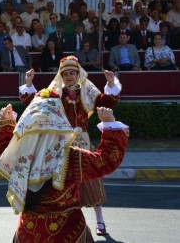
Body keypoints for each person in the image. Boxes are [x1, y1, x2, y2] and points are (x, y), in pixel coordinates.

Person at [18, 56, 123, 238]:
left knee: (92, 182)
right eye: (65, 74)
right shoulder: (55, 94)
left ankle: (100, 220)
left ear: (78, 74)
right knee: (63, 187)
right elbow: (33, 104)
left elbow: (108, 102)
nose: (68, 77)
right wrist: (28, 83)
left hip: (82, 142)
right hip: (61, 145)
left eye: (72, 73)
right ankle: (68, 219)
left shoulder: (87, 91)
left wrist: (112, 82)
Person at [0, 100, 128, 242]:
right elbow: (106, 161)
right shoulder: (70, 157)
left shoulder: (22, 155)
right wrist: (110, 124)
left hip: (28, 234)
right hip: (69, 235)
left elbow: (3, 156)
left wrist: (6, 124)